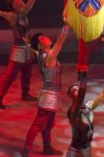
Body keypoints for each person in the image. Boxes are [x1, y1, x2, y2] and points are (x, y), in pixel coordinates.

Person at [22, 23, 70, 157]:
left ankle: (47, 147)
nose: (46, 37)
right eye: (42, 38)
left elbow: (34, 50)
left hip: (50, 94)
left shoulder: (43, 54)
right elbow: (60, 42)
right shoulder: (49, 57)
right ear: (40, 44)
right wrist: (66, 26)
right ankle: (26, 148)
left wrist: (29, 43)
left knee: (48, 123)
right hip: (49, 95)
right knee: (39, 123)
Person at [0, 0, 40, 108]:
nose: (21, 0)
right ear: (13, 5)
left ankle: (25, 93)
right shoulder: (12, 16)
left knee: (27, 73)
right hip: (18, 49)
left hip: (27, 48)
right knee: (10, 75)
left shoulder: (25, 12)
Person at [65, 68, 104, 157]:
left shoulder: (88, 107)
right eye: (74, 91)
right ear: (70, 96)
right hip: (75, 152)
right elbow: (81, 97)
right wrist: (83, 79)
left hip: (87, 150)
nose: (77, 91)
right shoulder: (73, 112)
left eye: (78, 89)